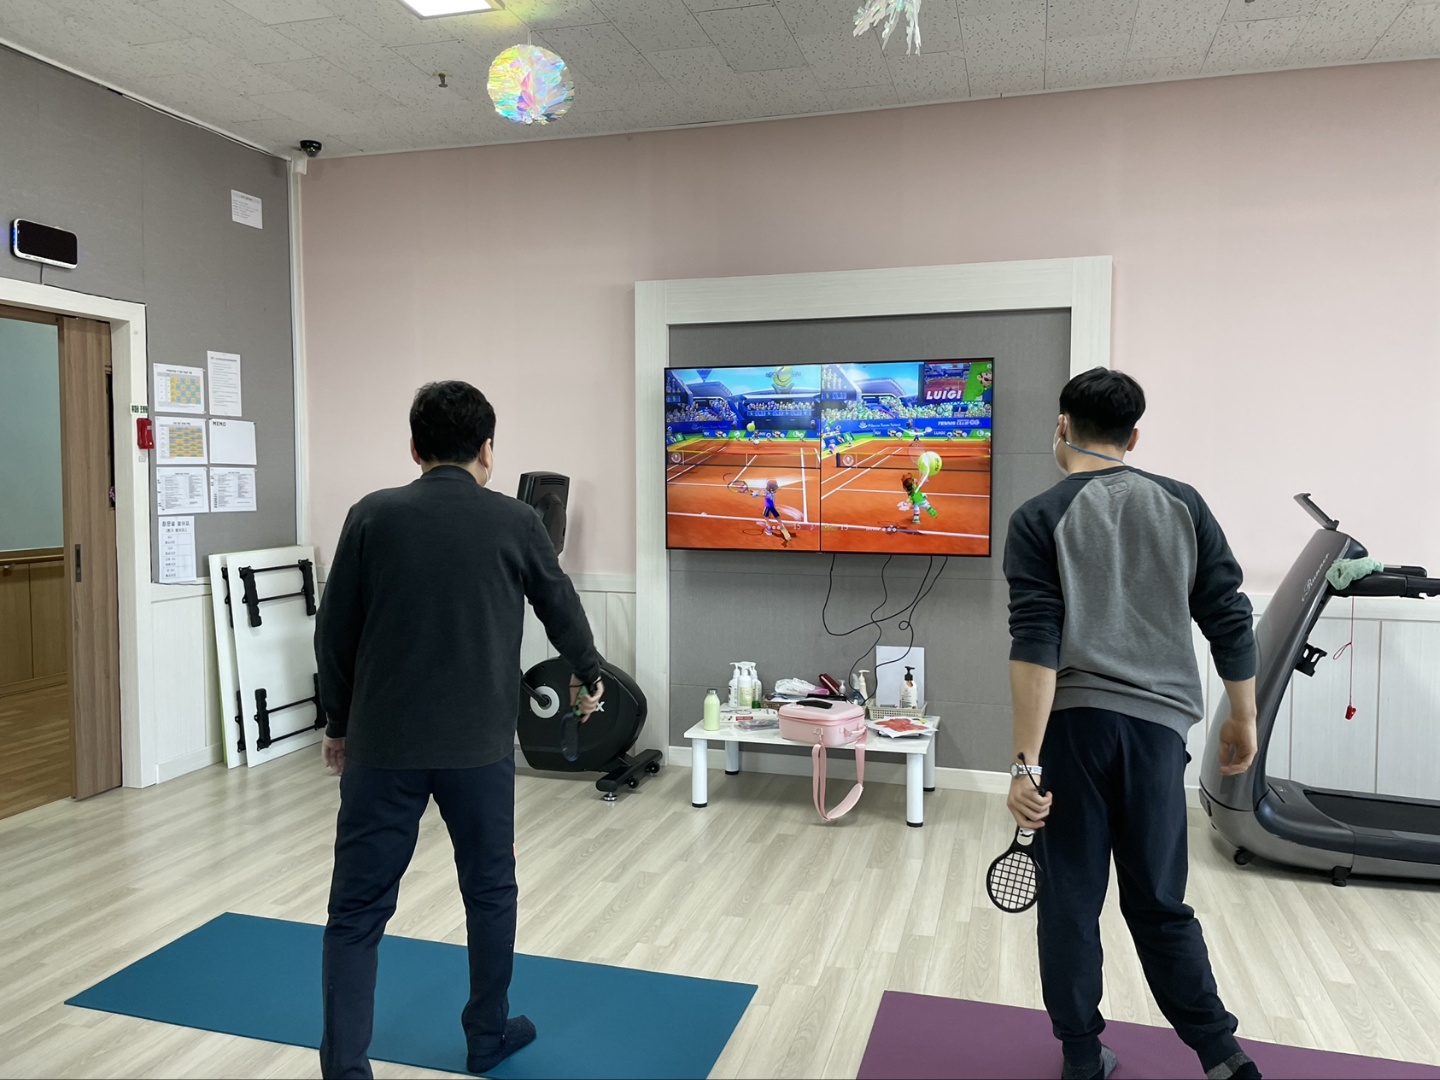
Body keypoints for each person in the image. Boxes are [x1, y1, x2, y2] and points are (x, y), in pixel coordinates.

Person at [315, 380, 604, 1080]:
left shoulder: (371, 515)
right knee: (489, 891)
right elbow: (560, 608)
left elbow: (334, 633)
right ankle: (486, 1036)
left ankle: (345, 1070)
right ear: (488, 451)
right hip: (477, 751)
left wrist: (338, 725)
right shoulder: (517, 521)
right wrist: (590, 672)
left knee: (356, 911)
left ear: (414, 449)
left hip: (382, 747)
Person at [1002, 367, 1263, 1080]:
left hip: (1074, 733)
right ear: (1134, 438)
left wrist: (1025, 765)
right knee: (1159, 903)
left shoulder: (1038, 516)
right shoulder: (1183, 504)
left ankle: (1083, 1059)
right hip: (1157, 735)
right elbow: (1228, 614)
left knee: (1069, 903)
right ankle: (1222, 1056)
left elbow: (1035, 644)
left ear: (1062, 426)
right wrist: (1243, 715)